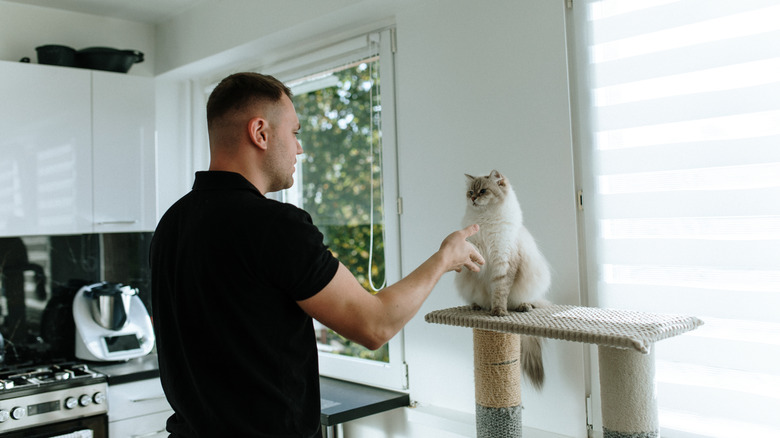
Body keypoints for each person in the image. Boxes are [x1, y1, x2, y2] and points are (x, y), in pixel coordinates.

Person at [150, 72, 484, 437]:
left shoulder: (172, 223)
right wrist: (444, 257)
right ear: (260, 132)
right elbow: (375, 325)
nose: (299, 148)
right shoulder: (274, 225)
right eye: (294, 132)